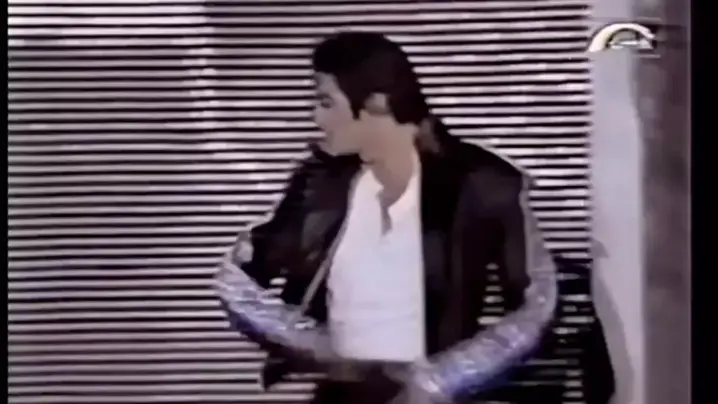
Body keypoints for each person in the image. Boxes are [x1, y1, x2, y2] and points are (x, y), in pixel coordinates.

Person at [214, 31, 557, 404]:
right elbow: (238, 278)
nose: (316, 117)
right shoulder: (320, 181)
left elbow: (535, 305)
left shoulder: (485, 183)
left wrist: (441, 380)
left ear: (376, 104)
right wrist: (318, 347)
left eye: (326, 102)